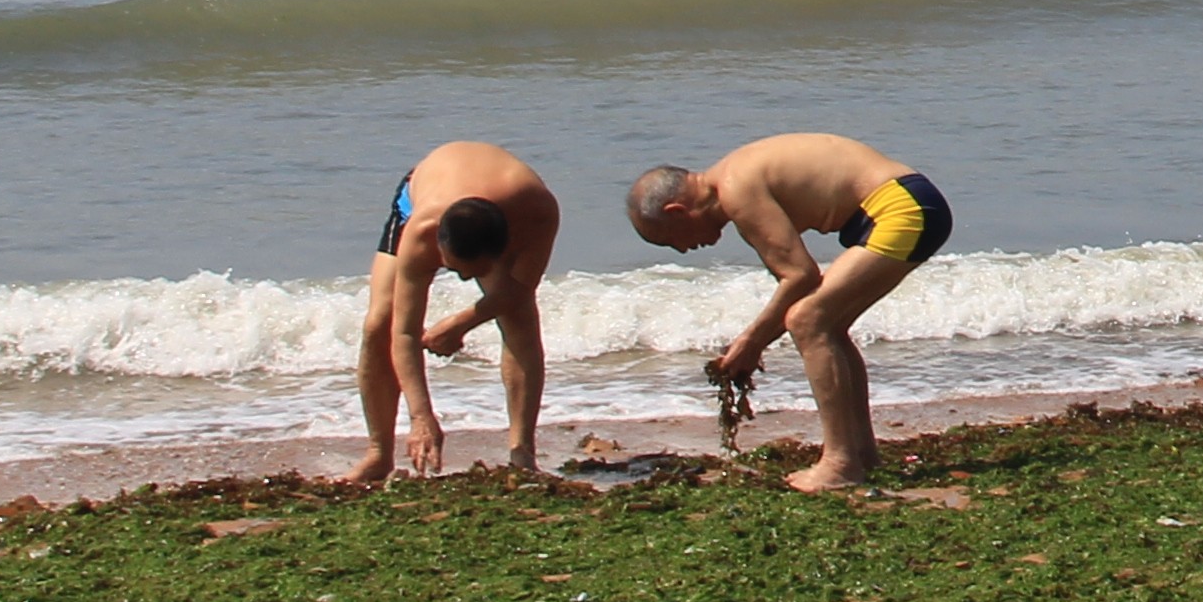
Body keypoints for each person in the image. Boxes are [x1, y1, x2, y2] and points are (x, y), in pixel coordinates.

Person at [624, 133, 956, 492]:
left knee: (807, 320)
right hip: (910, 202)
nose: (682, 250)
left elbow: (800, 275)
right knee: (827, 324)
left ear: (677, 211)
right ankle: (861, 454)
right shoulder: (734, 176)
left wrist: (752, 342)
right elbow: (799, 278)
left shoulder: (735, 188)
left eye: (668, 240)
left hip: (902, 208)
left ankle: (840, 463)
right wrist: (756, 340)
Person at [356, 138, 563, 482]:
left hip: (506, 202)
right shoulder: (422, 230)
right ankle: (378, 455)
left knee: (520, 319)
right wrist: (421, 417)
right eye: (454, 269)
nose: (465, 278)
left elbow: (518, 291)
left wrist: (459, 323)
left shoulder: (538, 213)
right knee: (379, 323)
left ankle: (522, 452)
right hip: (421, 194)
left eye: (475, 271)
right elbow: (405, 332)